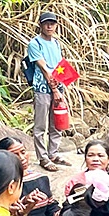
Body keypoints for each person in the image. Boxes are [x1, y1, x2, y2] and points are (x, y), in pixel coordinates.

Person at [27, 12, 71, 171]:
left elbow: (59, 65)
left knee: (57, 122)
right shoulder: (35, 44)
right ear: (40, 25)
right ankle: (43, 158)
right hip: (42, 88)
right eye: (46, 23)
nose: (49, 26)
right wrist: (55, 90)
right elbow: (45, 69)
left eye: (52, 23)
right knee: (40, 124)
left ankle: (53, 153)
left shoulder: (56, 43)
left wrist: (62, 87)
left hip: (57, 87)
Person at [0, 137, 59, 216]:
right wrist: (24, 205)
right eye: (15, 155)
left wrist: (61, 215)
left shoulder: (40, 179)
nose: (22, 158)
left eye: (23, 152)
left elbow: (51, 207)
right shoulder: (0, 185)